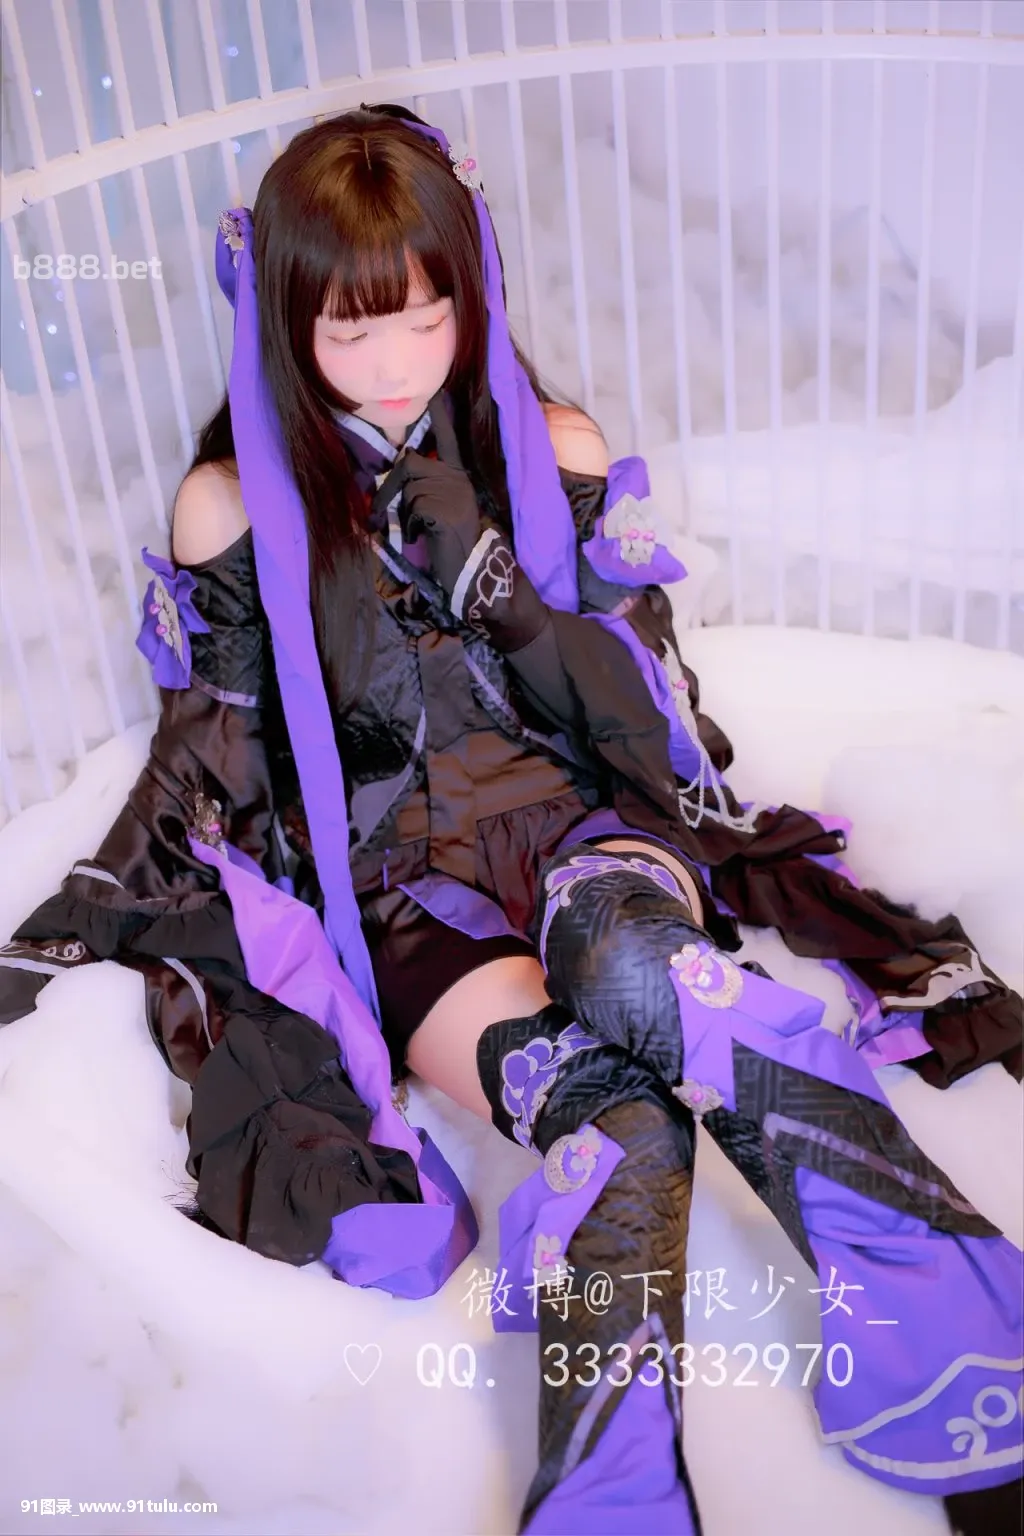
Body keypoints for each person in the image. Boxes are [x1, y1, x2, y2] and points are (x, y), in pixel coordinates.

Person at [0, 104, 1020, 1536]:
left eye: (426, 318)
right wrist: (77, 918)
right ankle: (610, 1506)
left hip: (586, 837)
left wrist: (501, 587)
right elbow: (208, 761)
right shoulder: (233, 509)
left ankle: (968, 1373)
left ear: (470, 294)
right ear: (285, 319)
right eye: (351, 332)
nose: (395, 364)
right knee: (624, 1136)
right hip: (406, 902)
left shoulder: (551, 445)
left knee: (654, 976)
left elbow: (652, 721)